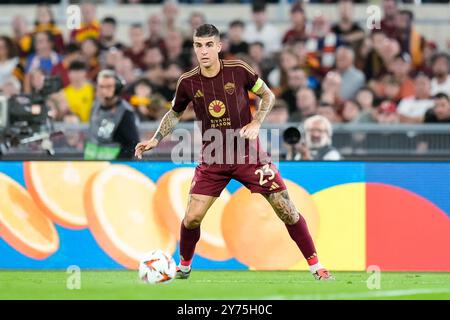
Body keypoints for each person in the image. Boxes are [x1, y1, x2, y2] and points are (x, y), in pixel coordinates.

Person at [135, 24, 333, 281]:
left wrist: (257, 123)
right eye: (198, 45)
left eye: (208, 45)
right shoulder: (187, 81)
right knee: (192, 217)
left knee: (285, 208)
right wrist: (156, 138)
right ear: (194, 48)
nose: (203, 51)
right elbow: (174, 113)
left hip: (248, 153)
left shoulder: (238, 70)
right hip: (213, 156)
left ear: (218, 46)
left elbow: (268, 95)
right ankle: (184, 267)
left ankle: (316, 266)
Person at [84, 69, 140, 160]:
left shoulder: (125, 112)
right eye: (101, 86)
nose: (104, 91)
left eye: (109, 86)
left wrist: (118, 163)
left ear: (117, 88)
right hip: (90, 163)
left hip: (111, 166)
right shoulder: (95, 105)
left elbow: (132, 144)